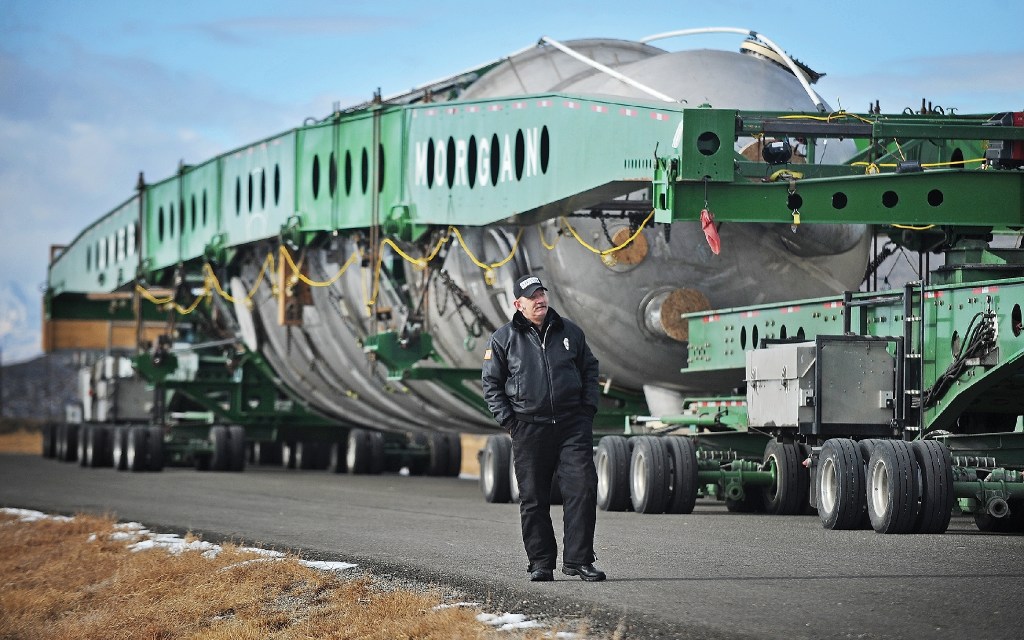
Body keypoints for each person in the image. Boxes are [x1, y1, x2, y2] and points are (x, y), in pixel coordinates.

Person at [481, 273, 606, 582]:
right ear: (518, 304)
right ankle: (541, 562)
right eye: (532, 296)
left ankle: (579, 560)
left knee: (583, 488)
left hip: (571, 426)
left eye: (542, 294)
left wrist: (587, 410)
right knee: (534, 498)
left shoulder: (570, 332)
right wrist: (510, 421)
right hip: (529, 428)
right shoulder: (503, 339)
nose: (540, 300)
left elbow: (590, 370)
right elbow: (491, 385)